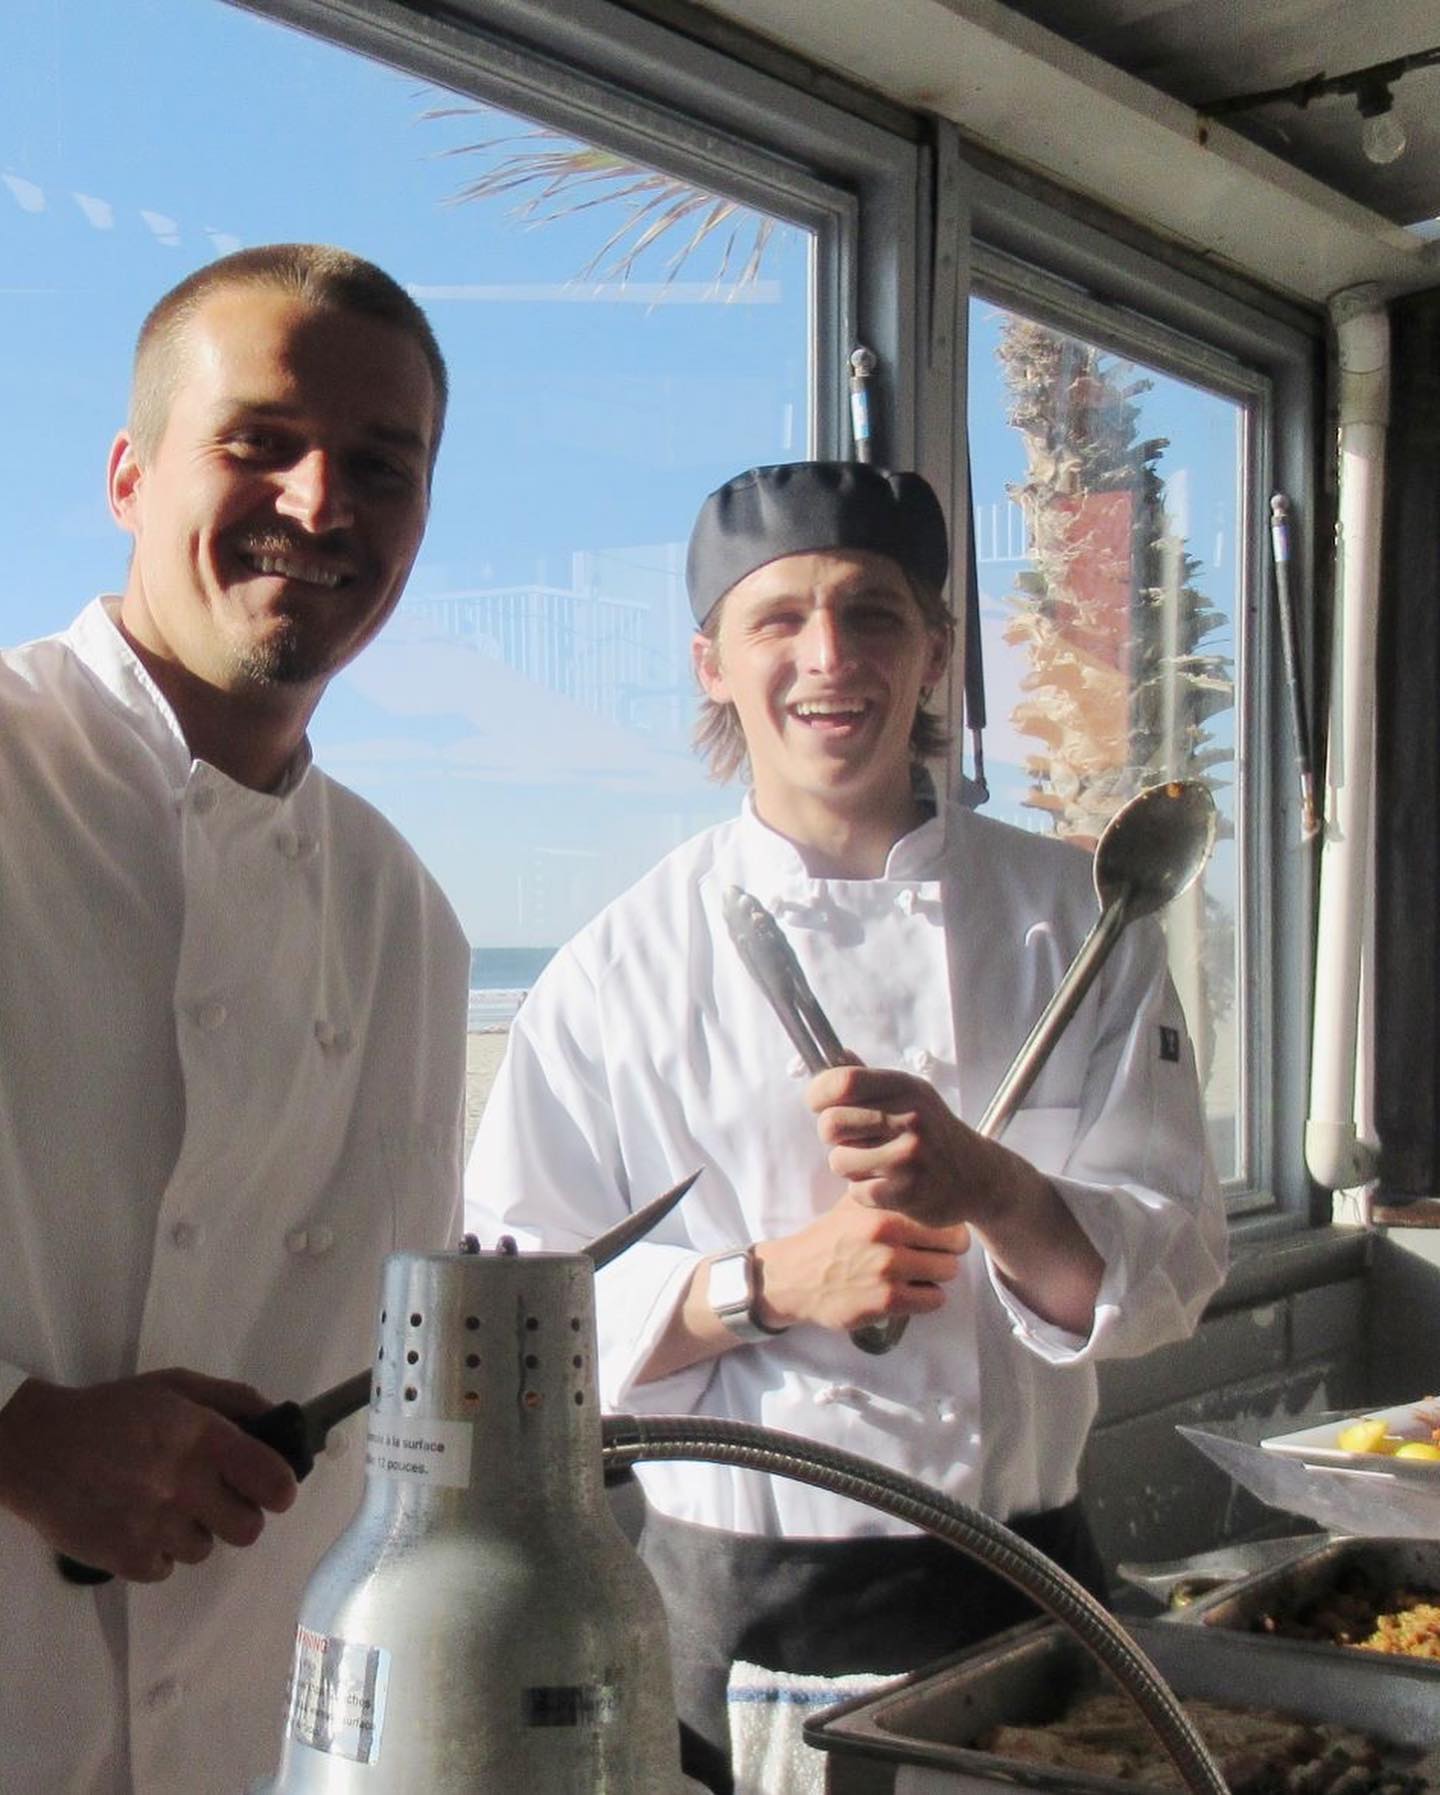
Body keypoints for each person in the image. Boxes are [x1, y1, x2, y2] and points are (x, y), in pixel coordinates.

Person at [465, 460, 1227, 1790]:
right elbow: (513, 1328)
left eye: (874, 612)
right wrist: (763, 1286)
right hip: (739, 1621)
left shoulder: (1077, 922)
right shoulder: (613, 972)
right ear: (711, 662)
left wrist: (997, 1189)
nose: (830, 656)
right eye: (781, 617)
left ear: (935, 651)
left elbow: (1171, 1273)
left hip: (1032, 1592)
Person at [0, 245, 469, 1794]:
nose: (322, 503)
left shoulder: (405, 920)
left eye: (381, 467)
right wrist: (13, 1434)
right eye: (261, 440)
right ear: (130, 477)